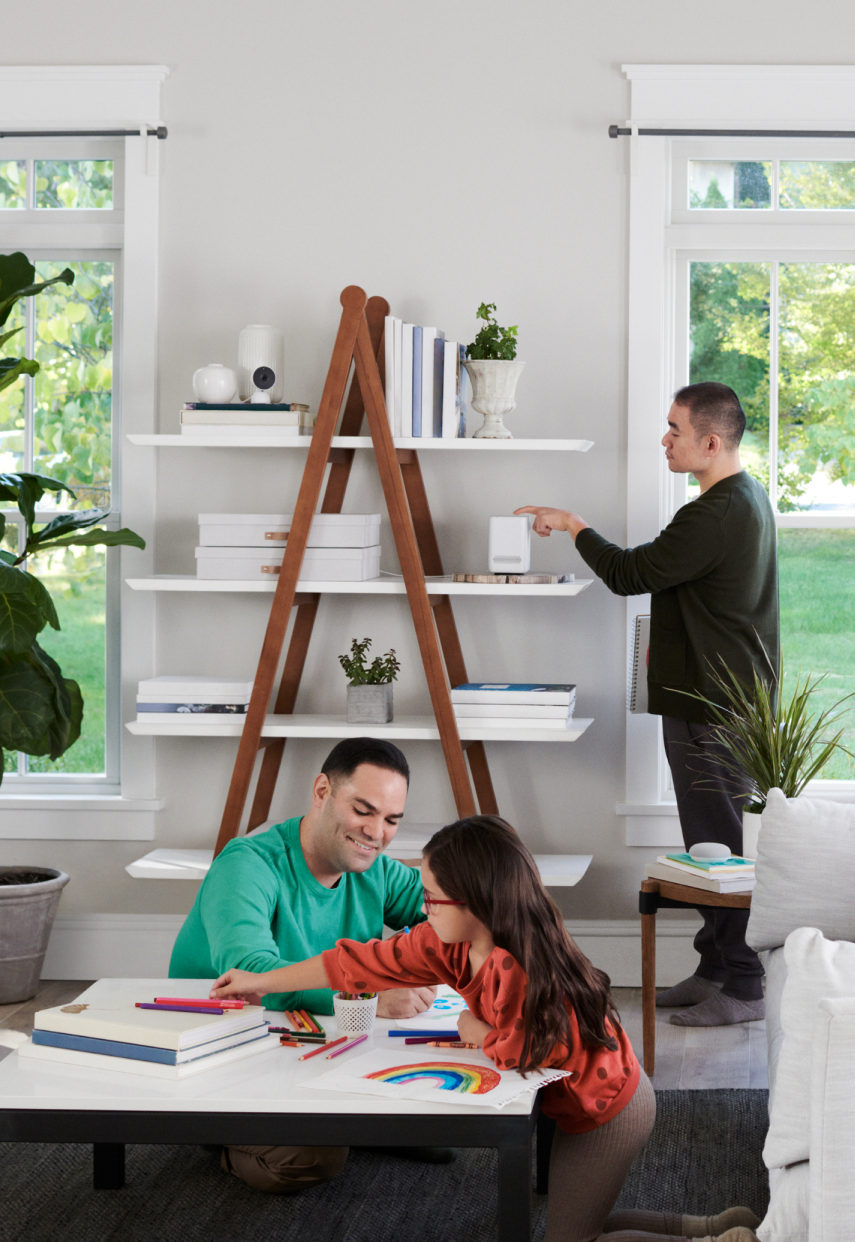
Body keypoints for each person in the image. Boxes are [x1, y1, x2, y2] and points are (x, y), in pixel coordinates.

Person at [212, 816, 760, 1242]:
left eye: (430, 899)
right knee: (581, 1217)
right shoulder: (444, 939)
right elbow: (354, 962)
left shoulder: (520, 967)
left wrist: (475, 1027)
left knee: (576, 1237)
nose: (420, 908)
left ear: (474, 903)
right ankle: (710, 1226)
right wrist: (264, 979)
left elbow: (526, 1050)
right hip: (590, 1099)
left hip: (609, 1111)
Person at [515, 381, 777, 1028]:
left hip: (714, 704)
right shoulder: (742, 500)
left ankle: (743, 984)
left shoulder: (715, 513)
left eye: (674, 430)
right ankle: (715, 965)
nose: (664, 439)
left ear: (711, 443)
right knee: (708, 841)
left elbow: (632, 574)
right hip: (720, 697)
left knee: (717, 844)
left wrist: (573, 525)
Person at [169, 736, 436, 1193]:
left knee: (442, 1130)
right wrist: (368, 997)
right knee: (313, 1156)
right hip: (228, 1047)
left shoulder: (377, 868)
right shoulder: (247, 864)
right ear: (321, 792)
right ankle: (213, 1136)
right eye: (363, 810)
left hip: (315, 1040)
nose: (376, 833)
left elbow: (450, 911)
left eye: (391, 820)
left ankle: (350, 1119)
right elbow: (249, 974)